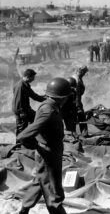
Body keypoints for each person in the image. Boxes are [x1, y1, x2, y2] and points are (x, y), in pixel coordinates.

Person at [17, 77, 71, 214]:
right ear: (62, 97)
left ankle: (23, 210)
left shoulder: (50, 105)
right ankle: (56, 210)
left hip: (49, 153)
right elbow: (23, 136)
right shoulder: (49, 111)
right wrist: (37, 146)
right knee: (53, 191)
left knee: (39, 183)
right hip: (48, 155)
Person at [12, 69, 46, 141]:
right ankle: (20, 143)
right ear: (28, 77)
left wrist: (45, 98)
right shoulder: (20, 86)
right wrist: (21, 112)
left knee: (35, 119)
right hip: (21, 110)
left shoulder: (25, 85)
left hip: (25, 109)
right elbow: (18, 101)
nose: (33, 79)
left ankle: (30, 138)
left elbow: (34, 96)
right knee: (21, 127)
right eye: (33, 77)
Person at [73, 66, 89, 136]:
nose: (84, 74)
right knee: (81, 116)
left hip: (77, 101)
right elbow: (76, 94)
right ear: (80, 71)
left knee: (78, 117)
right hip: (76, 101)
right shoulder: (76, 80)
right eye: (84, 72)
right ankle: (83, 133)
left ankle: (77, 133)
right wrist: (77, 104)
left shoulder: (77, 78)